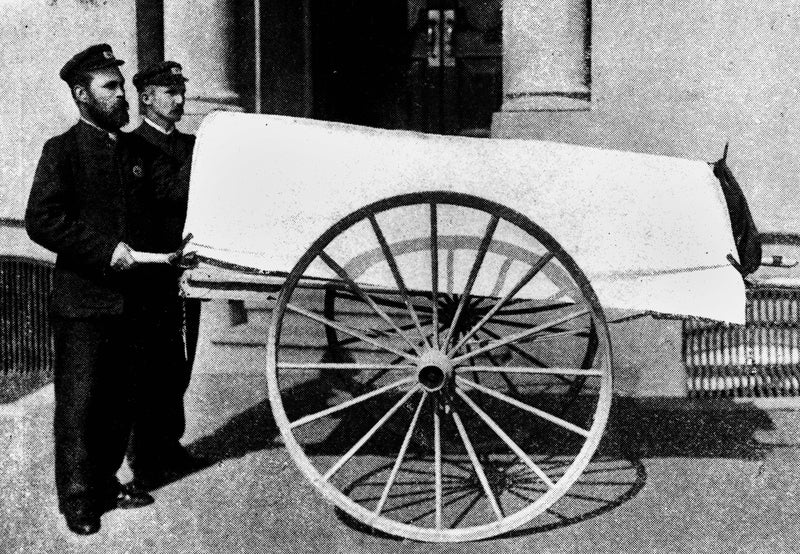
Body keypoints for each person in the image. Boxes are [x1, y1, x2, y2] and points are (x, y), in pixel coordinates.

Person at [25, 44, 188, 535]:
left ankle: (104, 479)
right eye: (110, 87)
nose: (122, 96)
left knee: (121, 399)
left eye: (121, 86)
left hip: (132, 302)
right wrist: (104, 251)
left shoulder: (136, 150)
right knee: (80, 404)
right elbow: (43, 219)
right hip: (85, 301)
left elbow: (167, 201)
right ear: (82, 94)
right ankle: (78, 499)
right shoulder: (63, 150)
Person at [127, 61, 201, 486]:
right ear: (146, 98)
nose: (178, 99)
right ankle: (145, 459)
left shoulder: (190, 144)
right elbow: (164, 196)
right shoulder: (133, 146)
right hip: (151, 274)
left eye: (180, 90)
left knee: (182, 360)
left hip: (186, 270)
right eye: (168, 91)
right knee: (149, 364)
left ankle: (169, 443)